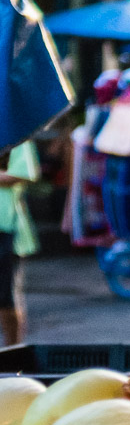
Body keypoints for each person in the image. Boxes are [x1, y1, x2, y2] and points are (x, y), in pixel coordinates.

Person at [0, 140, 39, 345]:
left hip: (7, 227)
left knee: (6, 298)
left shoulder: (16, 135)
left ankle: (12, 354)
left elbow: (24, 172)